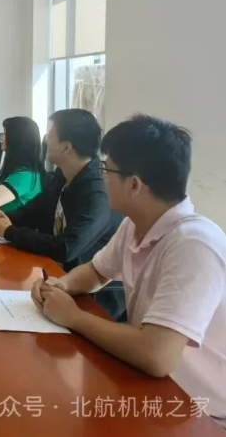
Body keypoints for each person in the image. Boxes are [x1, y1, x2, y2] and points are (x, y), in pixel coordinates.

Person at [32, 115, 225, 428]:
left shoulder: (194, 244)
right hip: (155, 389)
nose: (101, 176)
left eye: (106, 169)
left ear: (134, 184)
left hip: (203, 413)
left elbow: (157, 355)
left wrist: (74, 317)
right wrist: (60, 286)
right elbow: (96, 272)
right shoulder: (135, 224)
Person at [0, 109, 117, 270]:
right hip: (48, 268)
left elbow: (66, 248)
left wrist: (8, 231)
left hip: (74, 278)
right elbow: (31, 212)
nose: (46, 141)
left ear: (66, 147)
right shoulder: (63, 175)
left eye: (51, 137)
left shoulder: (97, 194)